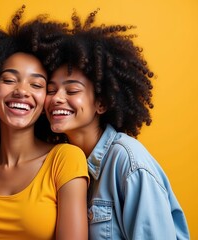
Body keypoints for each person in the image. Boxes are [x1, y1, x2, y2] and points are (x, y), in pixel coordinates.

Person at [42, 9, 190, 239]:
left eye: (72, 90)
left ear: (101, 103)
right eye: (51, 90)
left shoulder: (128, 163)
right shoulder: (61, 160)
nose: (57, 98)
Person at [0, 6, 89, 239]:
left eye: (37, 85)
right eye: (9, 80)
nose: (21, 91)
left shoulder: (65, 160)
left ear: (44, 103)